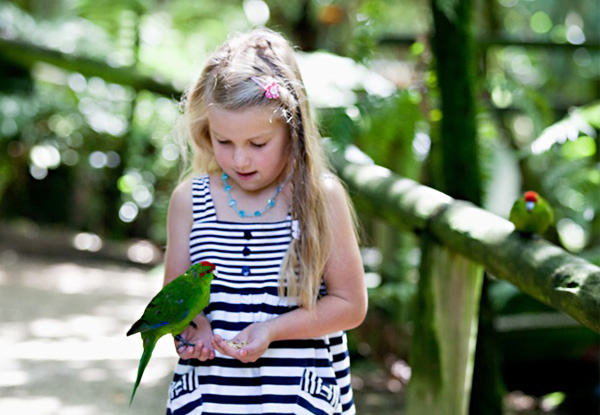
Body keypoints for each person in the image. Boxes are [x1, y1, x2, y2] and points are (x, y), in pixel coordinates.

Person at [163, 28, 367, 415]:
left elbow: (350, 305)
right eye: (224, 142)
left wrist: (272, 330)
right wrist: (193, 330)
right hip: (212, 398)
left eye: (258, 144)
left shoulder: (320, 199)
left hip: (296, 398)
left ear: (293, 130)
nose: (240, 160)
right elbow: (175, 297)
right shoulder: (190, 201)